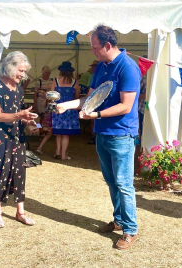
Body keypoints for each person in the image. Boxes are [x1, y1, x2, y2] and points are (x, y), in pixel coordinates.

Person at [56, 25, 141, 250]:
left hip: (122, 134)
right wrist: (66, 105)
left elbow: (126, 105)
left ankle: (130, 230)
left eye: (95, 48)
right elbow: (89, 98)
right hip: (102, 133)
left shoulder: (128, 67)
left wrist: (97, 115)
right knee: (112, 181)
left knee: (124, 183)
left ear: (107, 45)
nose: (92, 52)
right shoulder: (101, 68)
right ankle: (119, 219)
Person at [0, 51, 38, 228]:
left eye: (24, 71)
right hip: (0, 137)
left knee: (19, 172)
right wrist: (19, 115)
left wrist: (27, 119)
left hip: (17, 136)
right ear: (10, 68)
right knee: (0, 171)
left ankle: (20, 212)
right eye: (20, 71)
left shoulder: (19, 89)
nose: (23, 75)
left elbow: (19, 112)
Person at [51, 61, 80, 160]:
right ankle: (63, 155)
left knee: (58, 132)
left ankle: (57, 152)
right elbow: (76, 97)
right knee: (66, 134)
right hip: (69, 109)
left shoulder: (55, 80)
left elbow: (51, 96)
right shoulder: (75, 82)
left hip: (57, 108)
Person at [34, 66, 53, 155]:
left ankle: (43, 131)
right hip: (40, 102)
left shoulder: (52, 81)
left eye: (48, 72)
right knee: (41, 117)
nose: (47, 74)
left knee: (45, 118)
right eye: (46, 72)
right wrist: (35, 105)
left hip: (49, 103)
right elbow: (35, 94)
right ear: (43, 73)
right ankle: (40, 130)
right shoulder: (39, 82)